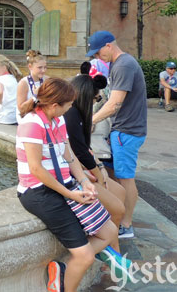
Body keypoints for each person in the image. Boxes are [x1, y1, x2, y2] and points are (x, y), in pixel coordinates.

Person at [16, 78, 120, 292]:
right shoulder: (32, 124)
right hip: (38, 192)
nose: (72, 107)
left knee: (110, 231)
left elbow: (69, 155)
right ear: (55, 105)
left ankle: (63, 267)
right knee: (85, 256)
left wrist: (83, 181)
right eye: (69, 104)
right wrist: (70, 194)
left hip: (66, 185)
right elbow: (36, 169)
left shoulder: (58, 121)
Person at [89, 30, 147, 240]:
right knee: (116, 176)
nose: (97, 57)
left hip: (127, 131)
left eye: (98, 53)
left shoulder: (123, 65)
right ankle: (117, 216)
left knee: (126, 180)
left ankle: (126, 225)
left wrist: (90, 121)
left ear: (108, 46)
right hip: (123, 130)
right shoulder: (120, 64)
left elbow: (115, 104)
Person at [66, 73, 128, 252]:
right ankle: (112, 249)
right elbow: (78, 151)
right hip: (76, 173)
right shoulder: (71, 114)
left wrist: (100, 168)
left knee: (120, 192)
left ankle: (111, 242)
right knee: (117, 209)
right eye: (96, 98)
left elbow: (85, 149)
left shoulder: (76, 114)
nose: (96, 102)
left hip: (84, 168)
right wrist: (99, 176)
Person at [16, 50, 48, 120]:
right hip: (27, 119)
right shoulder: (23, 83)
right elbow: (21, 109)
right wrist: (35, 96)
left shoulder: (46, 80)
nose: (43, 70)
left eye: (45, 67)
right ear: (30, 66)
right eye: (40, 67)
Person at [0, 54, 23, 125]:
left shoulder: (0, 79)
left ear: (4, 67)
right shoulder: (14, 78)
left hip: (4, 118)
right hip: (15, 117)